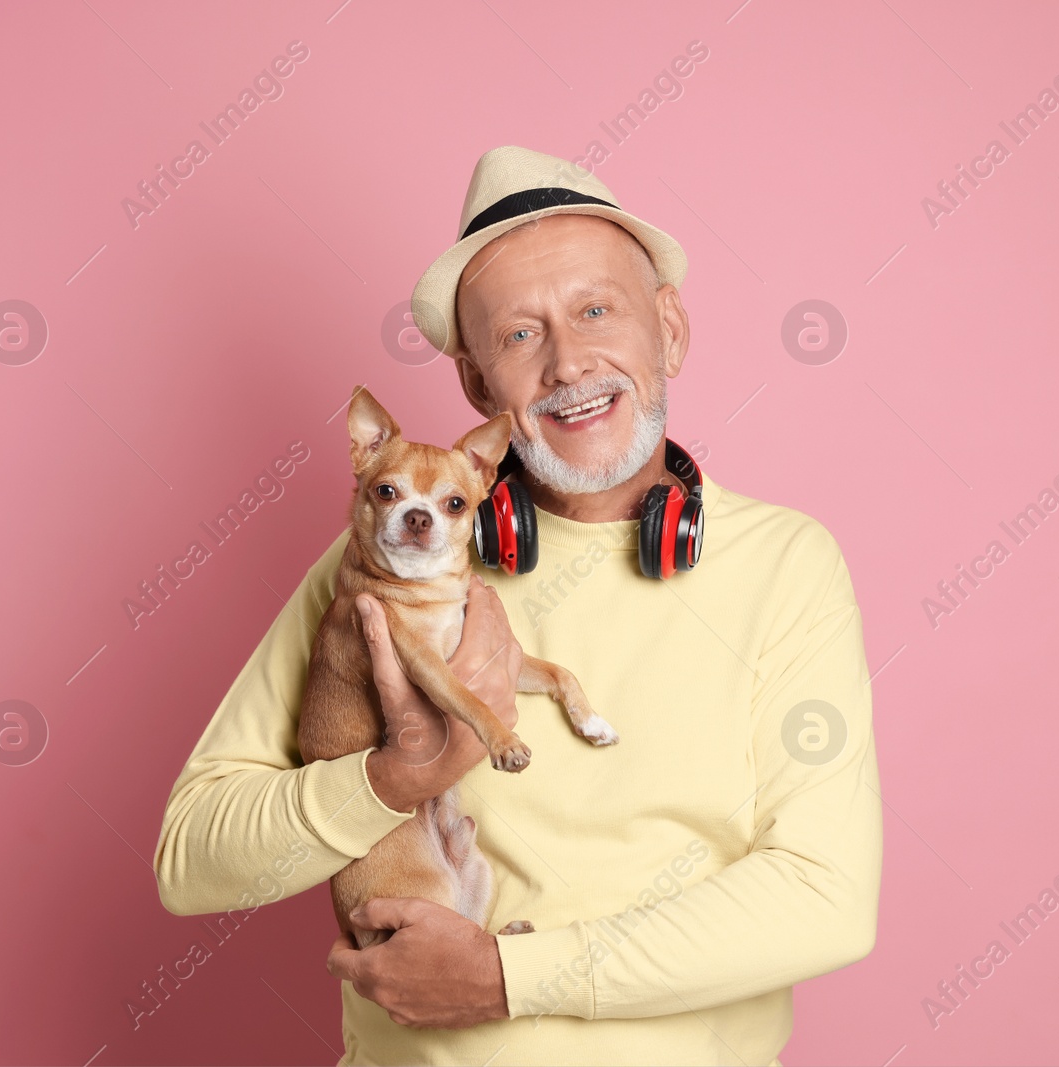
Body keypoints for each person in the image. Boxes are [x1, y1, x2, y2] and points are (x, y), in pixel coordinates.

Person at [153, 145, 883, 1066]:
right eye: (519, 335)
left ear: (670, 328)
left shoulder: (788, 566)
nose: (569, 361)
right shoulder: (375, 573)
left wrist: (508, 976)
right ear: (474, 387)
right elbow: (190, 861)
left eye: (595, 309)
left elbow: (826, 898)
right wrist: (394, 775)